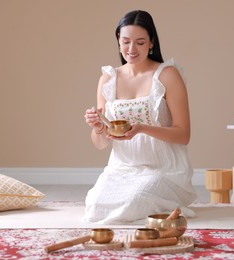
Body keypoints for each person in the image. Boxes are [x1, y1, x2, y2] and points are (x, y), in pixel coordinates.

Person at [83, 10, 197, 224]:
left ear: (151, 43)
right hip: (122, 168)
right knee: (95, 207)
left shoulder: (167, 75)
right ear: (118, 41)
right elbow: (100, 143)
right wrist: (98, 126)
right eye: (126, 42)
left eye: (140, 42)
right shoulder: (108, 78)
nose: (131, 49)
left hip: (162, 169)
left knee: (134, 202)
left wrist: (143, 128)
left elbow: (184, 135)